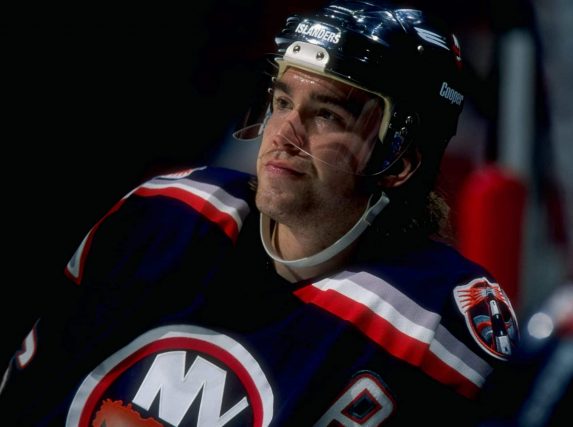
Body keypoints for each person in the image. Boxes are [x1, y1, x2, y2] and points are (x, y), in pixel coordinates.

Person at [0, 1, 519, 425]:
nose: (284, 133)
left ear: (399, 161)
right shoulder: (167, 218)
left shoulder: (433, 324)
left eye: (326, 114)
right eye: (283, 100)